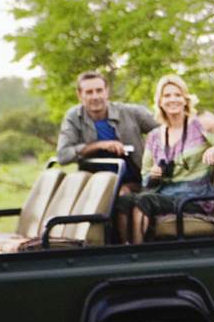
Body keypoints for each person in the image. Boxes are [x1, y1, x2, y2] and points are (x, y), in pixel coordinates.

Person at [128, 75, 214, 244]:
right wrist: (154, 174)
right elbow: (146, 179)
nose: (173, 99)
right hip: (164, 194)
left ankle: (137, 256)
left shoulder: (200, 124)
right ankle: (121, 250)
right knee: (123, 201)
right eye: (167, 95)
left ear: (185, 99)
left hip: (194, 198)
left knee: (144, 201)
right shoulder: (154, 137)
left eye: (177, 95)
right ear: (160, 101)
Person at [56, 71, 159, 241]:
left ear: (107, 91)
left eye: (99, 90)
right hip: (95, 186)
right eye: (89, 92)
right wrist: (99, 145)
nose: (95, 96)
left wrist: (155, 153)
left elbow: (167, 128)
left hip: (133, 181)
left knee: (122, 195)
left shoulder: (130, 112)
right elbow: (63, 155)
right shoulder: (74, 117)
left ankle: (126, 249)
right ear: (79, 95)